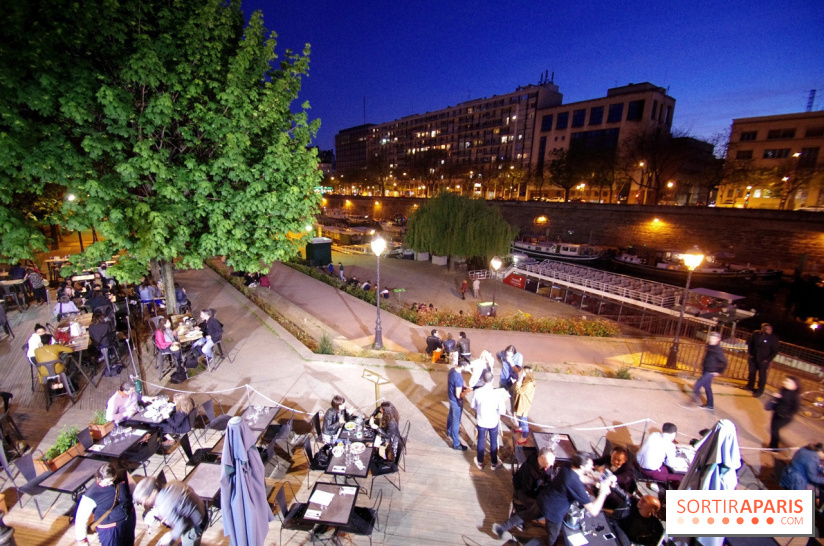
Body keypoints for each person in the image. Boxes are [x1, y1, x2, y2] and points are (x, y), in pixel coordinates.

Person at [493, 452, 616, 545]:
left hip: (544, 499)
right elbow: (593, 511)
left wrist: (596, 480)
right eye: (590, 465)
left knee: (526, 515)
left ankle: (502, 528)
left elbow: (582, 478)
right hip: (554, 512)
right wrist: (603, 492)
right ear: (582, 466)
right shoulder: (575, 484)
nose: (592, 467)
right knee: (553, 536)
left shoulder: (568, 467)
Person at [74, 463, 136, 545]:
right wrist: (82, 541)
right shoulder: (90, 495)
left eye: (113, 480)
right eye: (108, 482)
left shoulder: (123, 474)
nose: (111, 484)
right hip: (110, 529)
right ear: (99, 478)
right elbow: (81, 519)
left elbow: (134, 489)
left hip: (128, 520)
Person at [133, 477, 206, 546]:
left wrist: (171, 535)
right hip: (201, 509)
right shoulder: (172, 483)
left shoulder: (165, 506)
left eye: (144, 500)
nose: (142, 504)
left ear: (154, 492)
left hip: (196, 523)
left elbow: (181, 524)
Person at [471, 370, 506, 470]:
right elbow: (502, 411)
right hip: (493, 421)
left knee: (481, 440)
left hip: (482, 421)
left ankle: (480, 462)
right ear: (493, 379)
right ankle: (494, 463)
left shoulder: (477, 392)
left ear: (483, 379)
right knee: (494, 441)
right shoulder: (497, 394)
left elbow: (472, 405)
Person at [636, 422, 684, 486]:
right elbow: (671, 463)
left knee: (665, 469)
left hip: (638, 464)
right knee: (681, 477)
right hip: (650, 471)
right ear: (674, 434)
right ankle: (662, 490)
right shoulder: (670, 445)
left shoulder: (653, 435)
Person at [593, 445, 636, 510]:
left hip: (618, 493)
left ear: (624, 460)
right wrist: (597, 468)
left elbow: (625, 477)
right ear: (611, 455)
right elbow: (593, 462)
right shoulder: (607, 458)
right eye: (613, 458)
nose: (615, 461)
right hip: (604, 485)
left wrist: (613, 478)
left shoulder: (628, 468)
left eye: (619, 460)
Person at [693, 332, 727, 410]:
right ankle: (710, 405)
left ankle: (692, 401)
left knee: (697, 385)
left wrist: (719, 372)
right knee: (707, 387)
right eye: (711, 337)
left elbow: (724, 362)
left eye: (714, 338)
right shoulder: (710, 347)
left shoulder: (718, 350)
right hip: (706, 370)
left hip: (710, 372)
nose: (712, 339)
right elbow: (708, 358)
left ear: (718, 339)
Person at [767, 376, 801, 449]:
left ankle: (774, 448)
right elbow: (779, 400)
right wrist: (777, 397)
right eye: (785, 381)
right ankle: (773, 445)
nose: (785, 382)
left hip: (784, 417)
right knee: (773, 430)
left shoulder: (795, 397)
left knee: (774, 431)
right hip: (776, 413)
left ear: (795, 386)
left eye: (788, 382)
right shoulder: (783, 390)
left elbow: (795, 409)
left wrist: (786, 414)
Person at [746, 323, 779, 397]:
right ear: (762, 329)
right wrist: (750, 353)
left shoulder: (773, 338)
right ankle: (750, 386)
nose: (770, 331)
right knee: (752, 373)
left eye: (771, 329)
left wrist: (767, 360)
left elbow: (775, 351)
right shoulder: (756, 334)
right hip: (753, 357)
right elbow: (750, 343)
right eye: (767, 329)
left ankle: (760, 390)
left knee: (762, 376)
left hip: (763, 360)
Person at [369, 401, 401, 474]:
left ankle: (383, 459)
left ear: (386, 411)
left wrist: (376, 427)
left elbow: (387, 435)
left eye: (381, 409)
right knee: (373, 442)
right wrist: (372, 416)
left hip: (390, 441)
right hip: (387, 435)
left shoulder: (392, 422)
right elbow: (378, 409)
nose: (380, 410)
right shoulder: (390, 414)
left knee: (372, 445)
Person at [447, 356, 470, 451]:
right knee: (456, 421)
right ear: (463, 367)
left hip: (450, 397)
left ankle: (449, 431)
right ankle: (456, 443)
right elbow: (458, 395)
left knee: (450, 415)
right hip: (456, 401)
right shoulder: (459, 378)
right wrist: (467, 391)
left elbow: (454, 386)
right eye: (467, 367)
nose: (468, 369)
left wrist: (461, 387)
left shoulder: (452, 370)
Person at [512, 365, 535, 445]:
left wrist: (519, 380)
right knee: (521, 417)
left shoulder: (529, 383)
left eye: (523, 371)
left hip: (524, 403)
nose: (521, 372)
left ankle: (524, 437)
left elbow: (519, 390)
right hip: (522, 401)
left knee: (523, 418)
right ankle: (521, 428)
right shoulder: (527, 380)